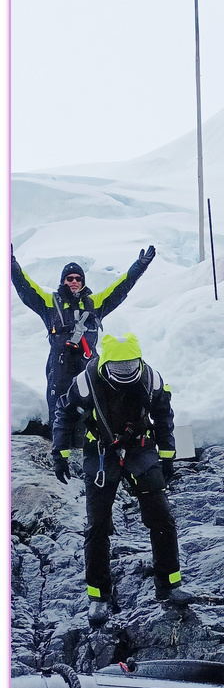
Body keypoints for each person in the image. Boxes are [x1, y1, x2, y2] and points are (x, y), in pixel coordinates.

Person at [52, 332, 193, 627]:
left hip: (140, 448)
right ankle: (98, 596)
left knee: (162, 517)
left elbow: (165, 416)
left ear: (139, 361)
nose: (125, 372)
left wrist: (168, 455)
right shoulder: (85, 382)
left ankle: (170, 583)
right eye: (119, 367)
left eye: (130, 366)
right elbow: (64, 415)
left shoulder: (152, 380)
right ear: (105, 364)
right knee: (98, 524)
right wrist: (60, 453)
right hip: (102, 452)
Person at [11, 245, 156, 435]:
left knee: (90, 410)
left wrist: (139, 266)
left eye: (78, 278)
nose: (74, 281)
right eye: (69, 278)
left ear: (83, 282)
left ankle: (88, 453)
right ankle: (59, 457)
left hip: (88, 367)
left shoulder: (95, 303)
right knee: (60, 411)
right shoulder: (49, 303)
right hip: (59, 367)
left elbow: (120, 288)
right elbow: (26, 287)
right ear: (63, 281)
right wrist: (11, 264)